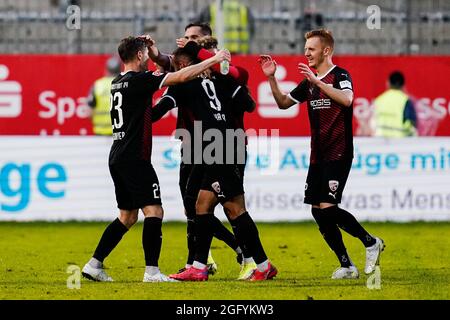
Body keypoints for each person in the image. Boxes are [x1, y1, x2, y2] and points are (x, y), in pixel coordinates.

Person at [81, 35, 230, 283]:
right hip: (135, 158)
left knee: (127, 217)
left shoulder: (119, 82)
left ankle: (94, 264)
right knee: (155, 211)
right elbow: (180, 76)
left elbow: (158, 72)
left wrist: (152, 50)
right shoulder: (140, 81)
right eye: (145, 54)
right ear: (139, 56)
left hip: (118, 155)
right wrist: (213, 59)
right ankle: (152, 272)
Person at [259, 28, 385, 279]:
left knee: (328, 206)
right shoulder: (309, 82)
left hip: (339, 151)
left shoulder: (340, 75)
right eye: (305, 49)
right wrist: (271, 78)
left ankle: (371, 242)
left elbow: (347, 100)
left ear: (326, 51)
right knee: (317, 210)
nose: (306, 53)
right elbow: (284, 104)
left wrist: (318, 82)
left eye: (311, 49)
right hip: (317, 154)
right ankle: (347, 265)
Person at [153, 46, 276, 282]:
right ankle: (199, 267)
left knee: (235, 209)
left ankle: (263, 265)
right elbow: (248, 104)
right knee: (203, 205)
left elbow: (159, 111)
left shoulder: (182, 83)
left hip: (215, 146)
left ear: (181, 68)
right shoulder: (221, 80)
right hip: (229, 142)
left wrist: (136, 111)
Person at [147, 23, 250, 275]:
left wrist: (206, 55)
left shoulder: (224, 73)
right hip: (192, 144)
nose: (187, 41)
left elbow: (243, 86)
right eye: (186, 37)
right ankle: (199, 262)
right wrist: (151, 51)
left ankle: (248, 256)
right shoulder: (188, 72)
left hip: (225, 144)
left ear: (206, 41)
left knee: (229, 205)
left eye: (194, 38)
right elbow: (165, 60)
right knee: (195, 206)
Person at [372, 71, 418, 137]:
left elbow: (372, 122)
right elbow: (411, 124)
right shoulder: (406, 100)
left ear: (388, 83)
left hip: (379, 140)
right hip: (399, 141)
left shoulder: (379, 100)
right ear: (403, 85)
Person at [86, 56, 121, 136]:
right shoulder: (124, 84)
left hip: (100, 132)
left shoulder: (97, 85)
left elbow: (89, 112)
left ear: (106, 70)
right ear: (120, 70)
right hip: (119, 133)